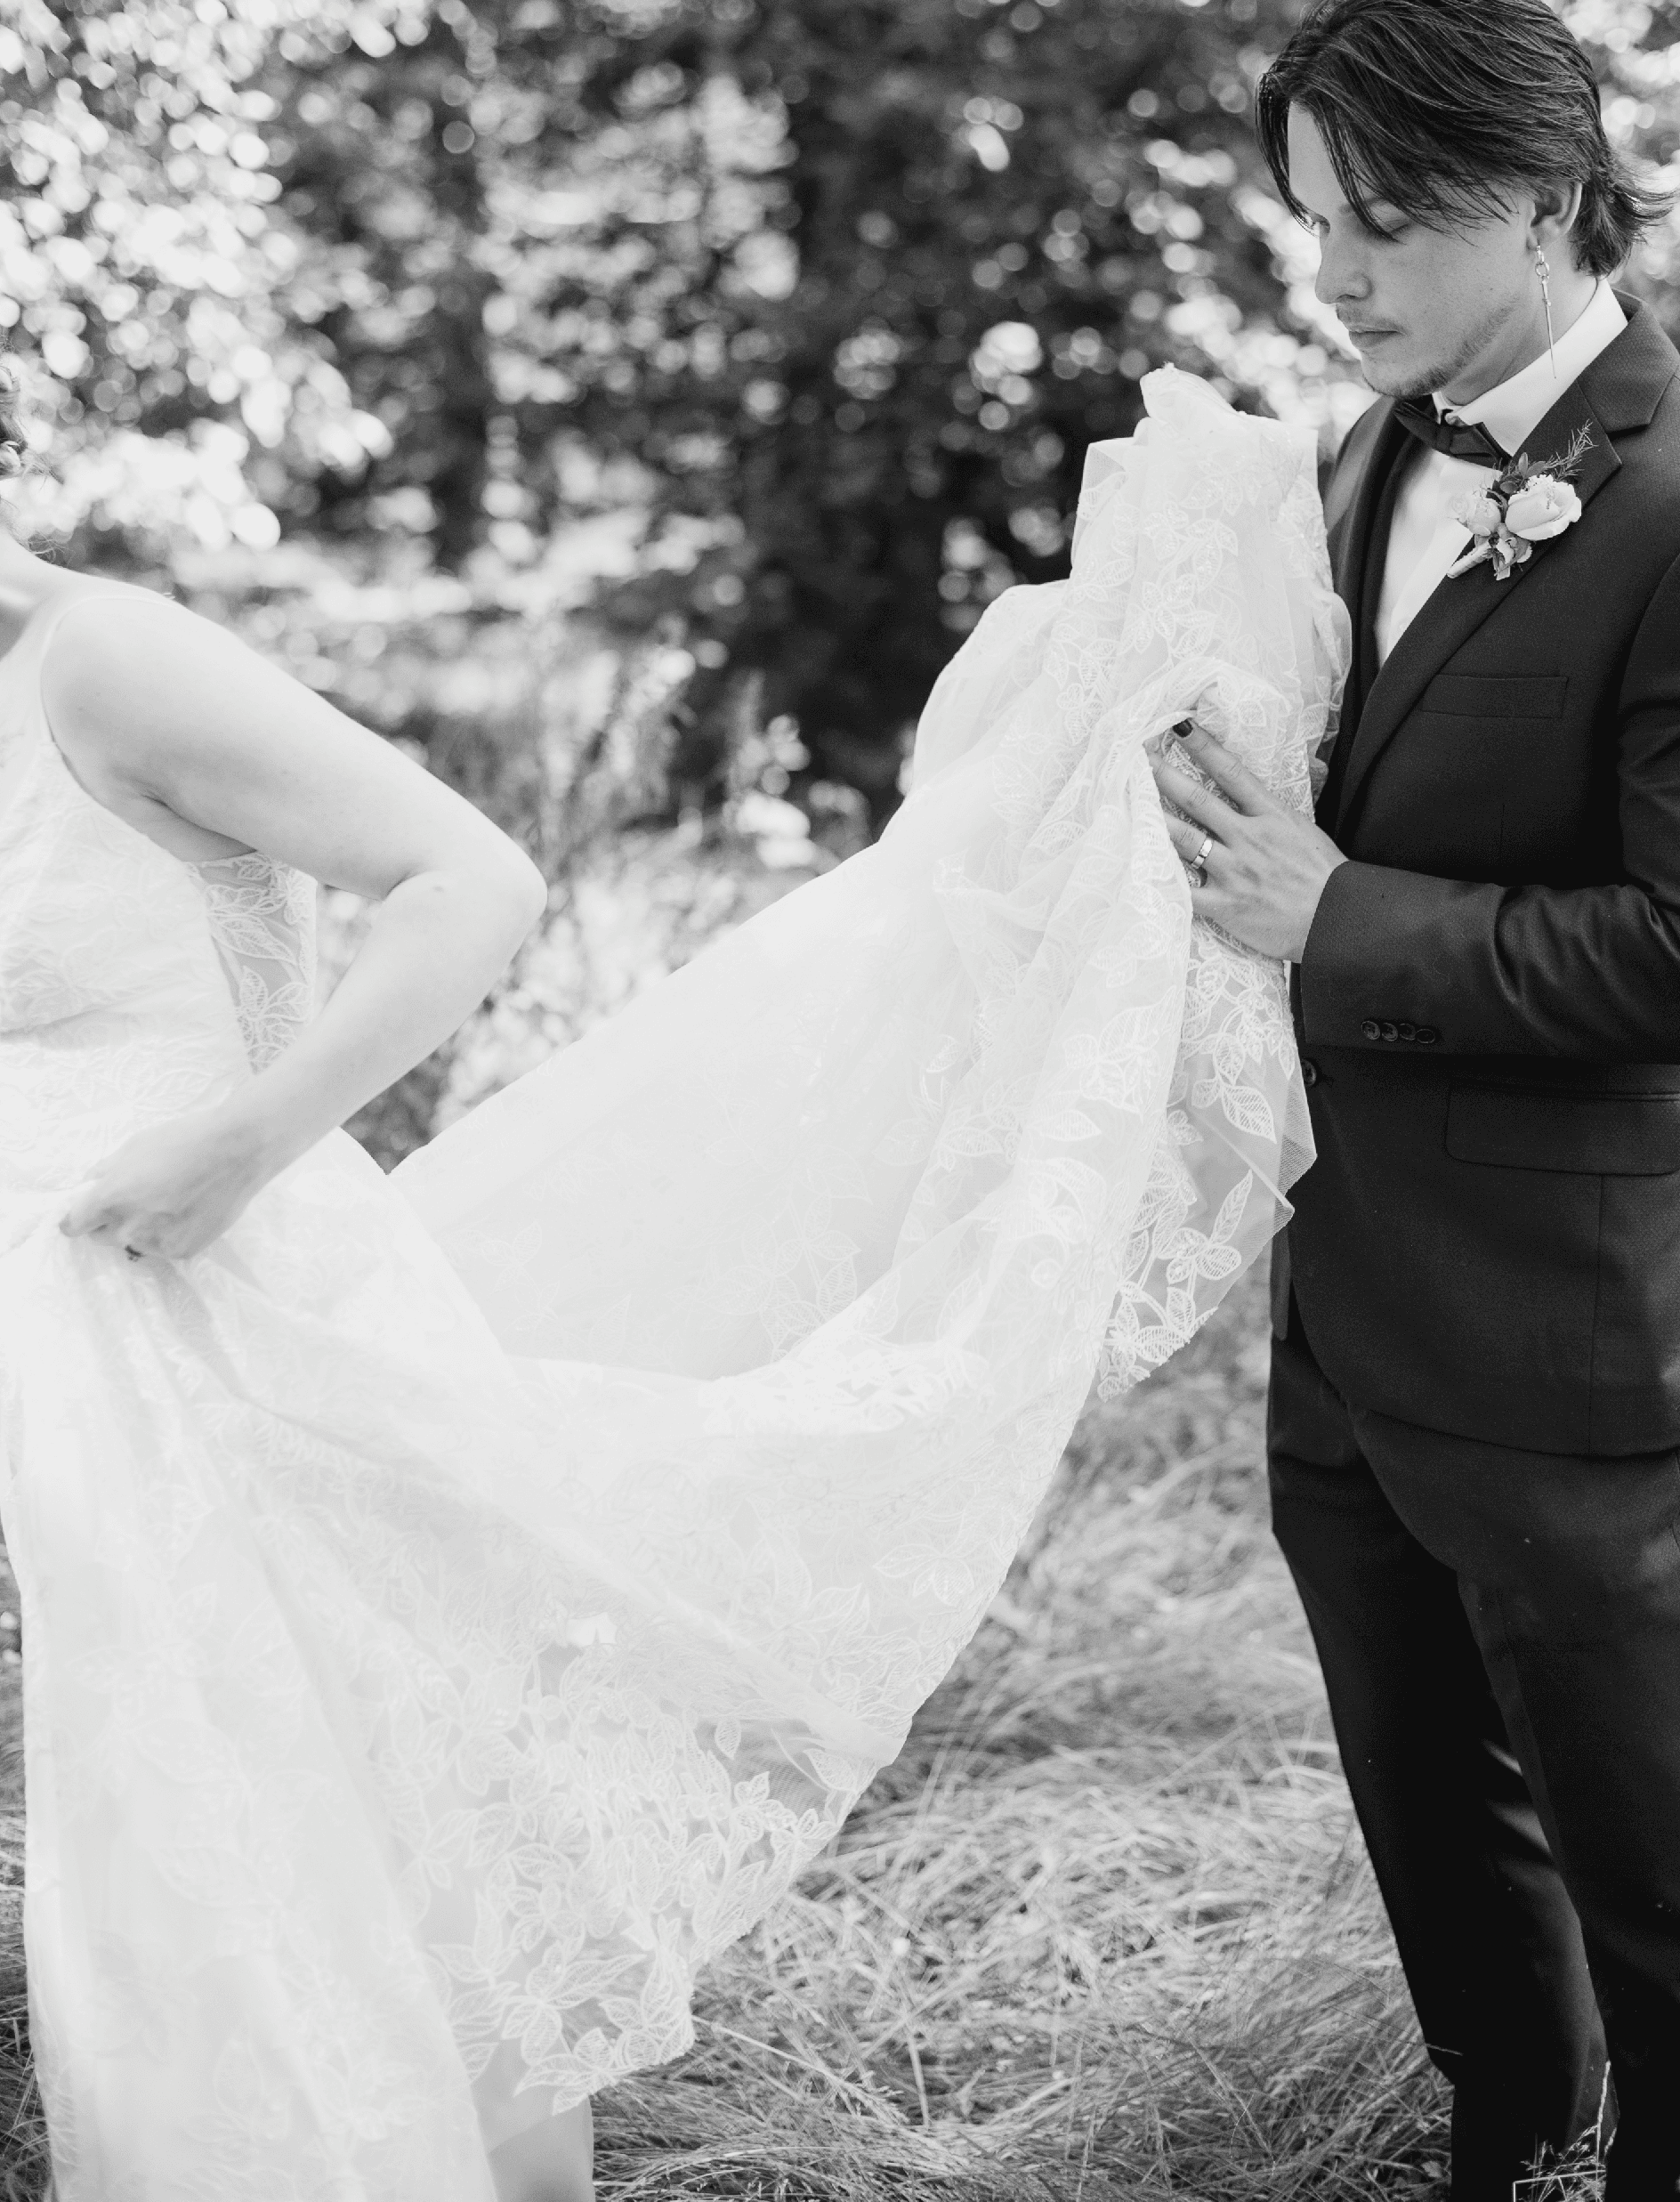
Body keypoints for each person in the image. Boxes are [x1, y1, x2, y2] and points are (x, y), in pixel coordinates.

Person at [0, 360, 1342, 2197]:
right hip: (77, 1384)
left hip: (238, 1311)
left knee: (358, 1851)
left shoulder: (99, 662)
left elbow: (464, 878)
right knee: (185, 1869)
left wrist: (235, 1139)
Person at [1154, 0, 1680, 2199]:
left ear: (1548, 191)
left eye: (1382, 216)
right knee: (1418, 1787)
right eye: (1306, 218)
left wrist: (1331, 913)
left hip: (1574, 1332)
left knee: (1649, 1855)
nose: (1335, 270)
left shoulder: (1670, 499)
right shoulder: (1355, 454)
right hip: (1347, 1300)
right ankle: (1508, 2116)